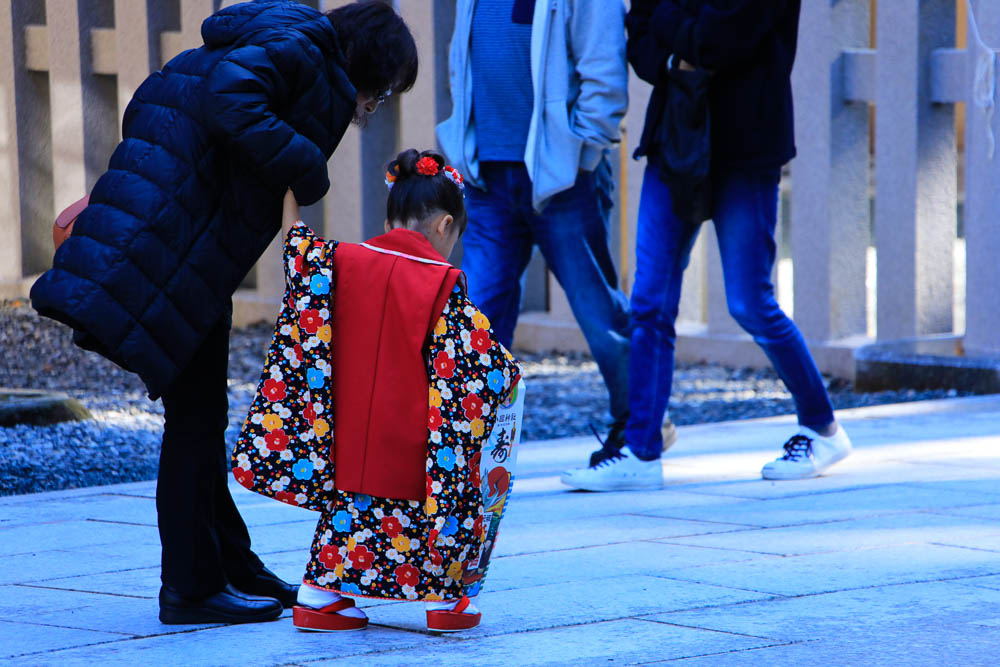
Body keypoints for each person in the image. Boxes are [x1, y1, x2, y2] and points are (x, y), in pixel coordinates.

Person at [30, 0, 418, 624]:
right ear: (371, 66)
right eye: (383, 92)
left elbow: (166, 102)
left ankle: (229, 563)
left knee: (203, 411)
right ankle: (190, 587)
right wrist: (304, 163)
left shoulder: (284, 44)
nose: (373, 107)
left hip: (183, 245)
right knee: (196, 418)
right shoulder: (303, 54)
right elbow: (227, 99)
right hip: (173, 247)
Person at [562, 0, 852, 491]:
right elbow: (640, 35)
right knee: (650, 301)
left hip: (747, 145)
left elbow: (727, 36)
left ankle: (823, 428)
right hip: (675, 137)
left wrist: (676, 27)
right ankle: (641, 451)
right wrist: (680, 55)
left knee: (749, 301)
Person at [233, 150, 523, 633]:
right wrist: (507, 376)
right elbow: (480, 370)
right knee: (445, 501)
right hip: (413, 451)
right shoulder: (442, 282)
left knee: (348, 518)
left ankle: (320, 595)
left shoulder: (338, 262)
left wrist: (289, 192)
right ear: (444, 225)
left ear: (390, 217)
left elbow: (296, 246)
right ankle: (446, 601)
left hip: (347, 446)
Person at [437, 0, 654, 455]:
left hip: (564, 176)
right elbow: (462, 58)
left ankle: (639, 431)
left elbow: (604, 70)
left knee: (599, 312)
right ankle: (470, 442)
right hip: (487, 176)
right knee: (477, 312)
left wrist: (584, 153)